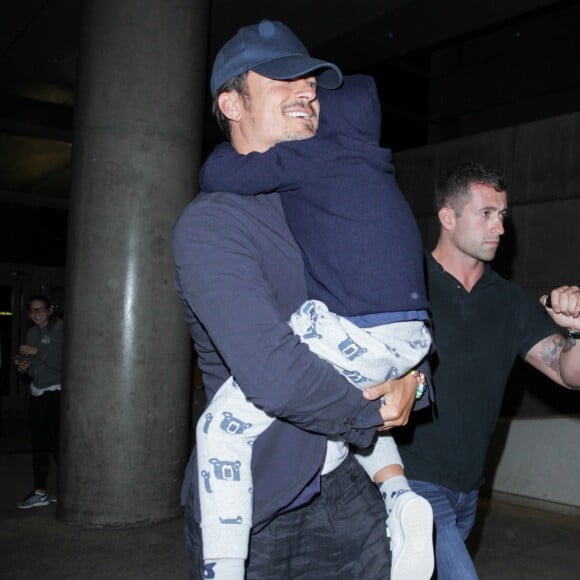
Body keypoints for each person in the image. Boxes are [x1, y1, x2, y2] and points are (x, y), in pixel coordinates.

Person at [173, 20, 431, 580]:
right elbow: (274, 369)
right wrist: (369, 413)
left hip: (343, 482)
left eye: (311, 80)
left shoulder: (315, 196)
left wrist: (415, 381)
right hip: (260, 509)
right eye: (284, 79)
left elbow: (381, 307)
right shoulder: (213, 224)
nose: (309, 91)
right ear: (231, 103)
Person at [385, 162, 580, 579]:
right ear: (448, 218)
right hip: (412, 481)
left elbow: (568, 373)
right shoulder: (405, 284)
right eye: (486, 214)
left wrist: (579, 333)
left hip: (468, 491)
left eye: (502, 215)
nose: (500, 228)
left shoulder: (508, 301)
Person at [14, 295, 63, 509]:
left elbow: (61, 363)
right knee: (39, 444)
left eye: (40, 309)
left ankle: (69, 489)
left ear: (49, 311)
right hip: (38, 393)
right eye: (32, 310)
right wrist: (24, 369)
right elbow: (35, 368)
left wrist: (37, 351)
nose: (36, 313)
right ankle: (40, 491)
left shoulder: (59, 329)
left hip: (56, 392)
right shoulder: (32, 333)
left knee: (57, 444)